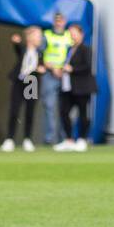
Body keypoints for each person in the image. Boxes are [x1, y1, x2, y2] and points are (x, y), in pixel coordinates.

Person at [1, 26, 42, 153]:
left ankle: (27, 139)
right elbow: (17, 45)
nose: (39, 39)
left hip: (32, 82)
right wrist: (16, 41)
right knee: (14, 110)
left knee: (30, 111)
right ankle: (9, 139)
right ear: (30, 37)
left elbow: (44, 64)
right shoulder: (23, 49)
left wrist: (42, 69)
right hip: (19, 82)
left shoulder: (41, 53)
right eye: (37, 36)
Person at [53, 24, 94, 152]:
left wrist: (72, 69)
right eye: (70, 33)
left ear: (81, 34)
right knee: (64, 111)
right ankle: (69, 140)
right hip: (68, 87)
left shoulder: (86, 49)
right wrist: (61, 70)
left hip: (82, 87)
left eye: (74, 32)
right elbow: (66, 65)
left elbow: (87, 66)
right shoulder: (69, 49)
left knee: (83, 113)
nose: (72, 35)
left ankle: (82, 139)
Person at [38, 13, 72, 145]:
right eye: (57, 20)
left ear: (65, 21)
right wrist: (50, 67)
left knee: (65, 108)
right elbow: (39, 53)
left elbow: (72, 54)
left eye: (61, 20)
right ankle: (49, 138)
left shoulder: (69, 36)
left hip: (64, 75)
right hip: (49, 74)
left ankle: (64, 138)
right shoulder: (47, 35)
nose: (59, 23)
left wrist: (63, 68)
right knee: (49, 106)